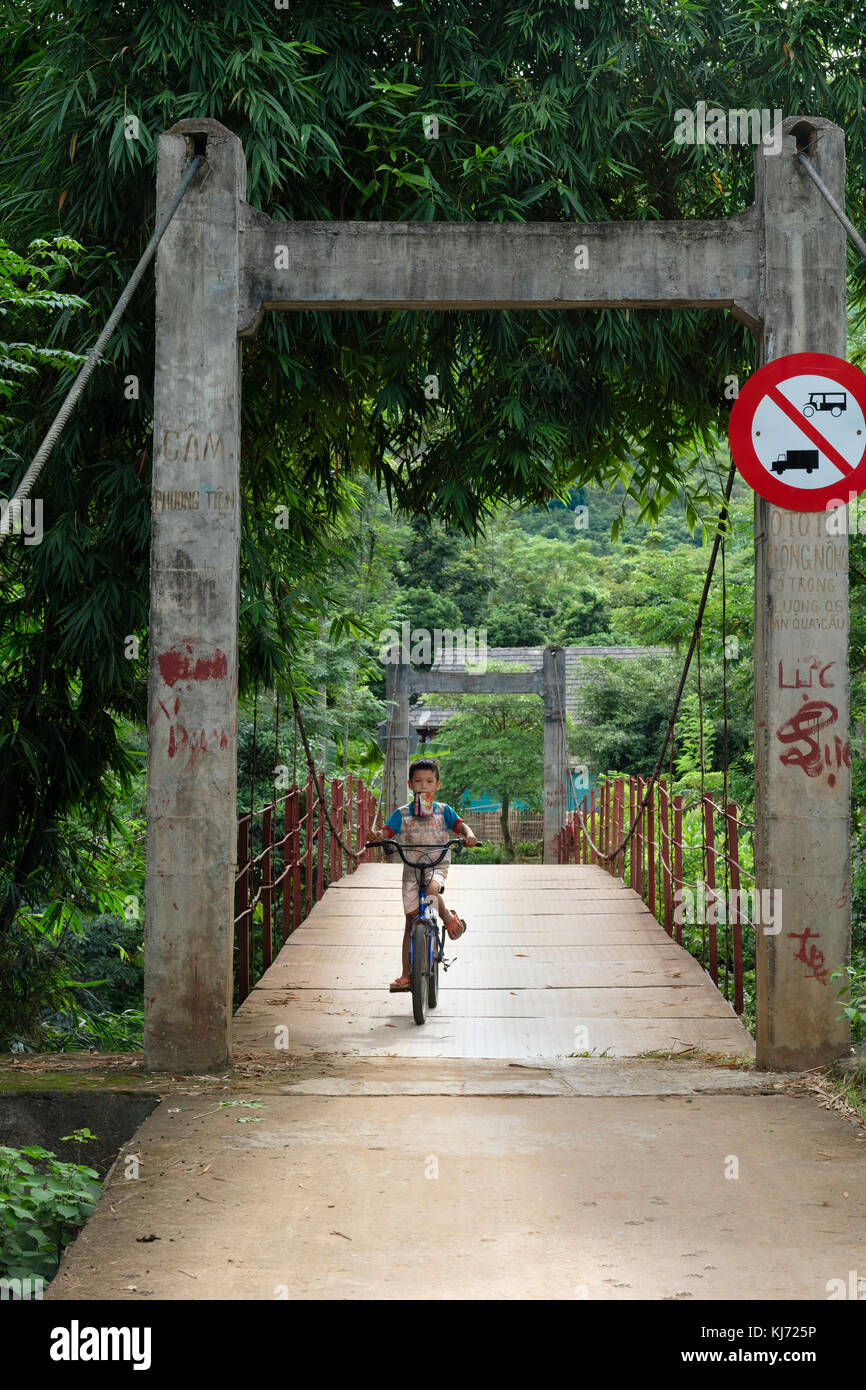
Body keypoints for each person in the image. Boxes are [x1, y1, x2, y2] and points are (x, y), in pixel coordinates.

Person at [371, 757, 477, 993]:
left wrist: (469, 835)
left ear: (437, 785)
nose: (423, 786)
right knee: (410, 921)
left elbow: (461, 826)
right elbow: (386, 831)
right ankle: (405, 975)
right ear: (410, 784)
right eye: (418, 781)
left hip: (437, 865)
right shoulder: (402, 813)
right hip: (411, 869)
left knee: (431, 890)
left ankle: (448, 918)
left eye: (429, 781)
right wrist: (378, 836)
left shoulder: (443, 810)